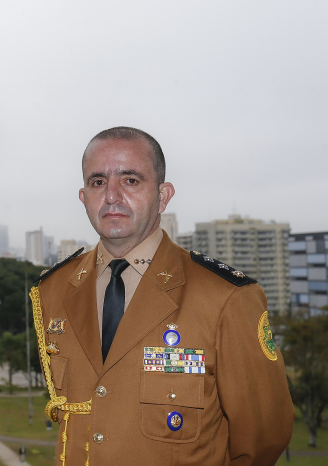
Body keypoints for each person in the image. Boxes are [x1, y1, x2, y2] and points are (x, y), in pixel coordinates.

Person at [32, 126, 294, 465]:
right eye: (98, 182)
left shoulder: (224, 297)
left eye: (130, 181)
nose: (111, 195)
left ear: (163, 195)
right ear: (84, 196)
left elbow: (263, 437)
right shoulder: (54, 289)